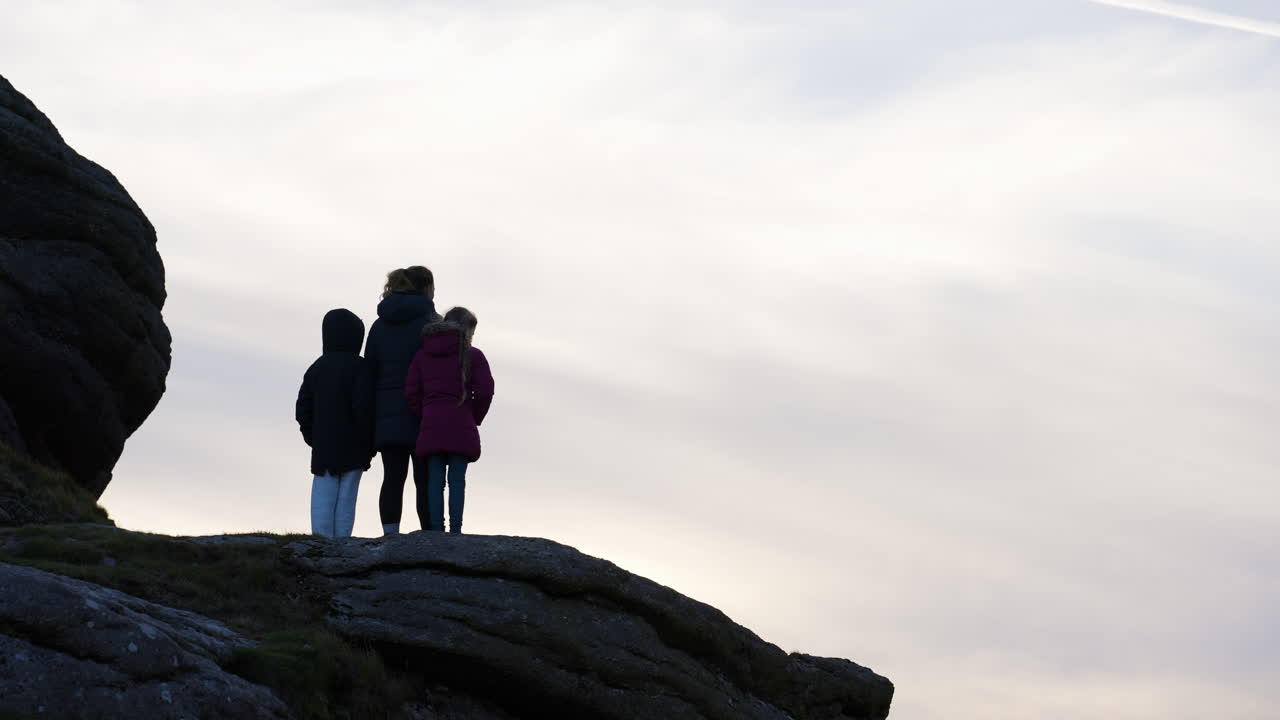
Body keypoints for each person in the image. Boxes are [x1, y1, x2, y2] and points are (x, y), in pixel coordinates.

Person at [404, 307, 494, 533]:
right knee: (457, 480)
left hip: (432, 422)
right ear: (467, 330)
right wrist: (475, 415)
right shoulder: (473, 355)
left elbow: (411, 392)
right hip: (461, 421)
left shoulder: (423, 354)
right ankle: (455, 530)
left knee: (434, 480)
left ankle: (436, 530)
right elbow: (485, 391)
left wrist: (424, 414)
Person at [365, 266, 440, 535]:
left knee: (392, 478)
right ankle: (431, 539)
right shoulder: (432, 323)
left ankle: (390, 537)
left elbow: (369, 370)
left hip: (387, 412)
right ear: (426, 287)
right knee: (425, 479)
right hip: (424, 412)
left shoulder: (378, 325)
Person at [295, 308, 373, 538]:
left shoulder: (317, 367)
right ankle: (343, 541)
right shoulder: (362, 368)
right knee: (347, 495)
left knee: (323, 491)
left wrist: (313, 437)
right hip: (355, 444)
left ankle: (320, 539)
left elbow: (303, 409)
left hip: (324, 443)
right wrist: (368, 442)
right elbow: (365, 408)